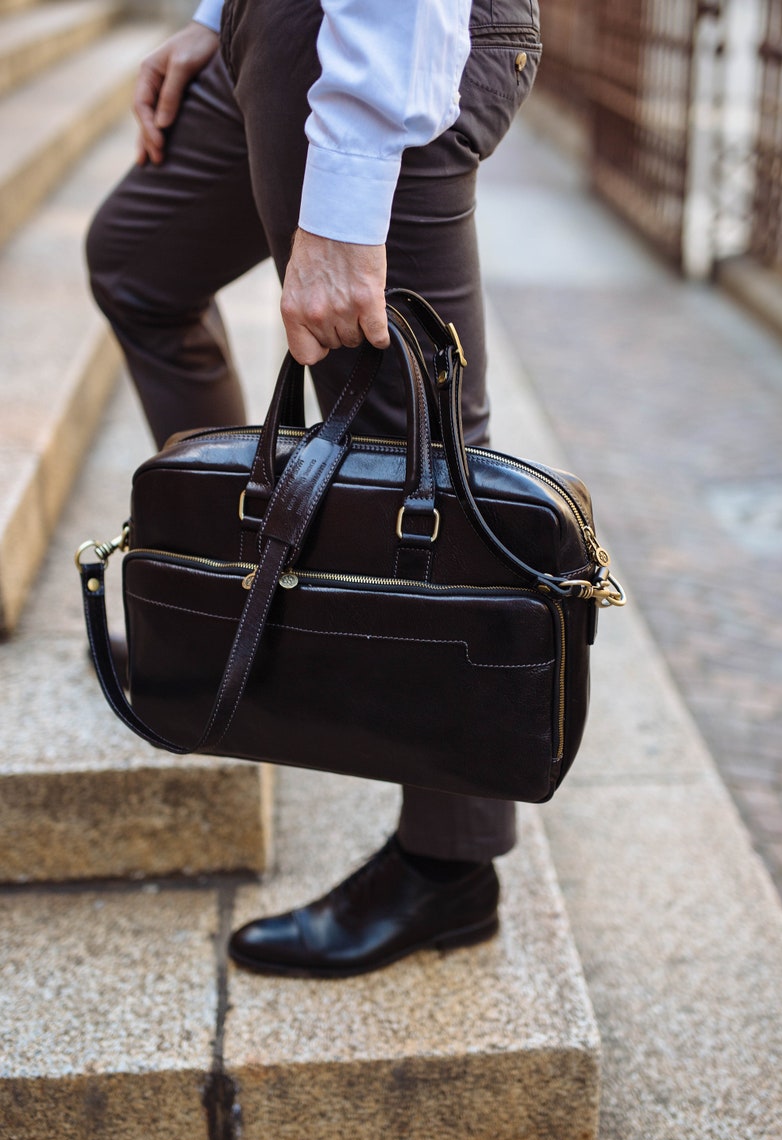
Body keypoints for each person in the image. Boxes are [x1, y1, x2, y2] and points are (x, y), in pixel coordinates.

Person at [86, 0, 542, 977]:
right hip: (274, 25)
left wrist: (345, 198)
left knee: (410, 429)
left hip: (375, 38)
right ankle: (233, 625)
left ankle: (448, 863)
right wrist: (217, 17)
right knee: (138, 263)